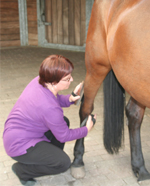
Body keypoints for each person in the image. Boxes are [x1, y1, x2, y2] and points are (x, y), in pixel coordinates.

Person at [3, 55, 96, 186]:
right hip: (19, 145)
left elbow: (53, 99)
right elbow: (64, 135)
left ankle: (46, 157)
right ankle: (22, 170)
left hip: (17, 134)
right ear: (53, 81)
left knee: (63, 121)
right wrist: (86, 129)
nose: (72, 80)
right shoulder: (49, 108)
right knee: (63, 163)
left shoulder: (40, 81)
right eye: (67, 79)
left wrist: (70, 99)